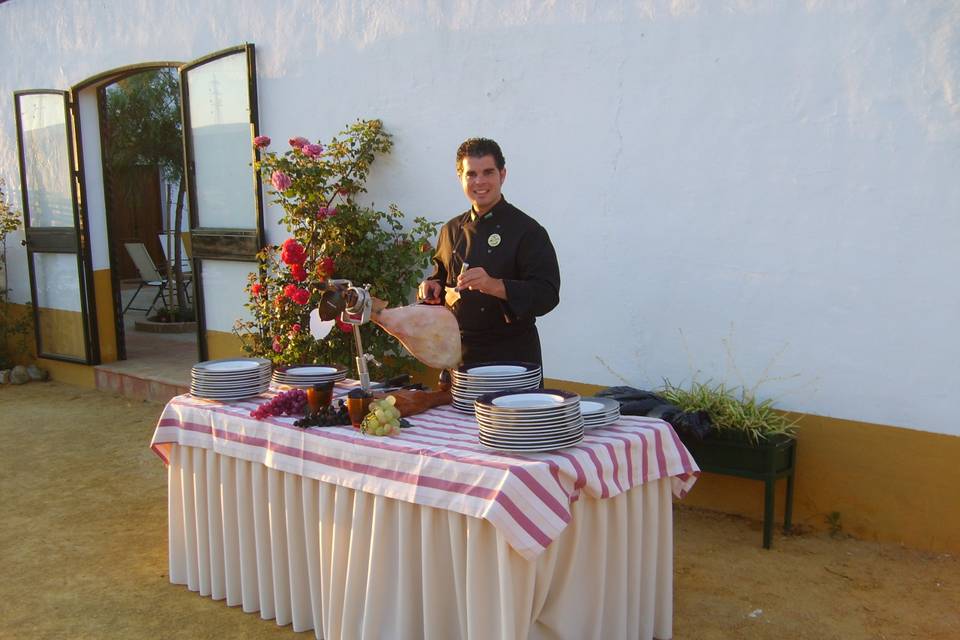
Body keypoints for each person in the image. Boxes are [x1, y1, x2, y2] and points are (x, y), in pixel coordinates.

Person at [418, 137, 561, 369]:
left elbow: (548, 295)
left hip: (512, 358)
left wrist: (493, 285)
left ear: (502, 175)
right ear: (460, 177)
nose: (480, 181)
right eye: (471, 174)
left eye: (488, 172)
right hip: (460, 357)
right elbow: (441, 277)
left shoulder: (528, 231)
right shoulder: (451, 230)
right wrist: (431, 287)